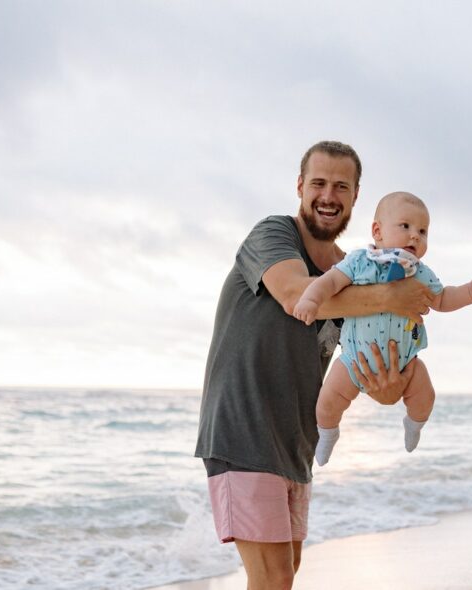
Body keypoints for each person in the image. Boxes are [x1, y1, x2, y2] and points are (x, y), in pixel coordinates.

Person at [194, 141, 434, 590]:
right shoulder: (272, 235)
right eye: (319, 183)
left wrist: (390, 386)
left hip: (296, 443)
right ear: (301, 187)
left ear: (356, 197)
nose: (329, 195)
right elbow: (293, 295)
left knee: (284, 575)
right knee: (274, 579)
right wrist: (391, 296)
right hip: (242, 429)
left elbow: (371, 363)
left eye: (341, 186)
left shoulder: (354, 270)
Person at [293, 192, 472, 465]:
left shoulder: (421, 273)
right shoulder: (360, 262)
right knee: (327, 403)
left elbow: (442, 299)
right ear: (378, 231)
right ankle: (328, 433)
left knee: (425, 396)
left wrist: (468, 292)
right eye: (406, 227)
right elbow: (329, 282)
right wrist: (311, 299)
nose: (415, 237)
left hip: (406, 363)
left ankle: (414, 424)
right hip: (352, 361)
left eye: (423, 231)